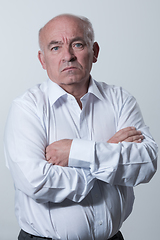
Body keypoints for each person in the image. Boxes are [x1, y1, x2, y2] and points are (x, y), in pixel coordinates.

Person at [4, 14, 157, 240]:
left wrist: (75, 152)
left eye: (77, 44)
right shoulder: (27, 108)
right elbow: (36, 182)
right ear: (42, 59)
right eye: (55, 47)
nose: (68, 56)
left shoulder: (120, 100)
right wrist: (107, 150)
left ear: (94, 51)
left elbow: (146, 163)